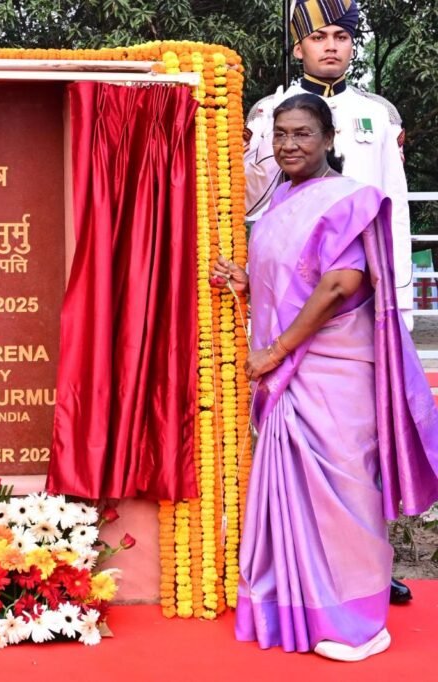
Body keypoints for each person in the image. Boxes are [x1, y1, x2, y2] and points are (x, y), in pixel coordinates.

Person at [213, 94, 438, 661]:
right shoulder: (281, 203)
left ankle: (357, 622)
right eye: (281, 134)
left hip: (336, 371)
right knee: (302, 499)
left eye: (303, 134)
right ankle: (301, 610)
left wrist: (275, 352)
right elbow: (290, 284)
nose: (289, 144)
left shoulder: (347, 199)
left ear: (329, 139)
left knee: (345, 497)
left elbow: (340, 285)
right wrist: (246, 282)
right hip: (295, 375)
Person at [243, 0, 415, 606]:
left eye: (342, 36)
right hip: (291, 303)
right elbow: (260, 206)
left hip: (355, 307)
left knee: (360, 448)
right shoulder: (267, 113)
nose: (333, 46)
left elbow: (393, 206)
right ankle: (299, 570)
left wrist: (396, 298)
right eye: (319, 36)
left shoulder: (377, 114)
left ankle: (369, 568)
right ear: (299, 47)